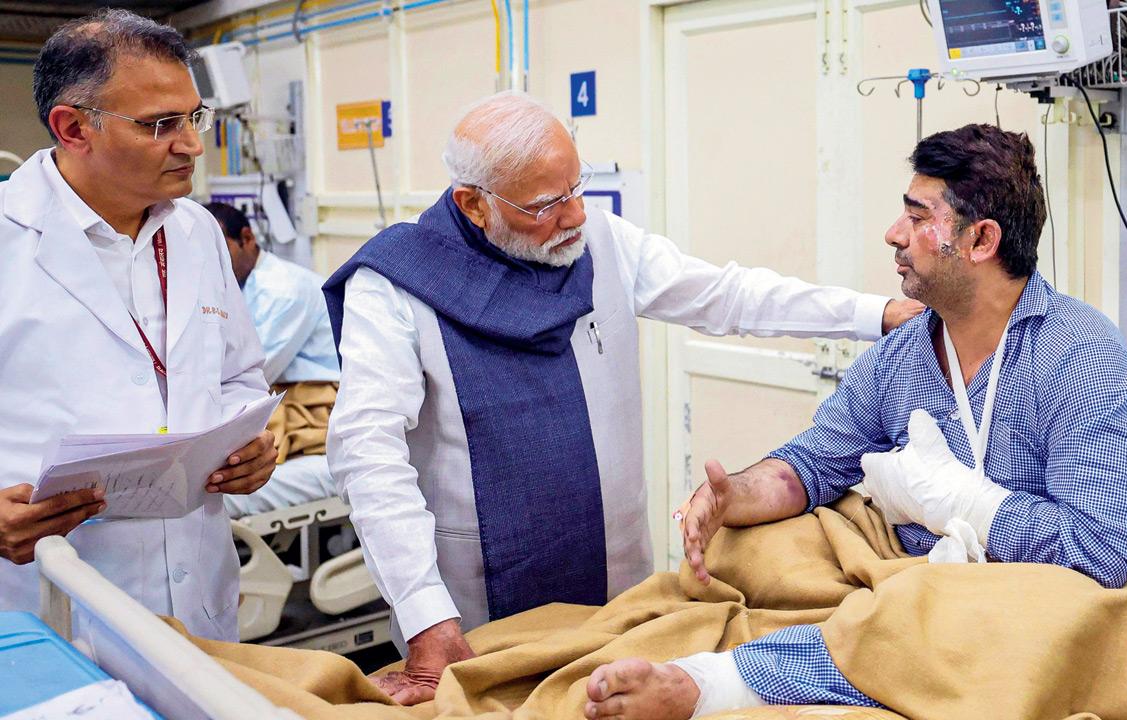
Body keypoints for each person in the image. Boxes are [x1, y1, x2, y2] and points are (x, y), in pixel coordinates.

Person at [323, 91, 925, 705]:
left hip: (612, 570)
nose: (575, 214)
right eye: (546, 204)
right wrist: (426, 615)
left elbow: (727, 295)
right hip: (468, 598)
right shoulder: (395, 284)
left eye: (576, 187)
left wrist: (875, 313)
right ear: (473, 205)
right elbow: (367, 454)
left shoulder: (599, 243)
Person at [583, 124, 1127, 720]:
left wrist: (967, 503)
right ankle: (864, 639)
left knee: (957, 612)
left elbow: (1106, 551)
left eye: (916, 218)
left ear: (981, 239)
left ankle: (715, 683)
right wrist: (732, 496)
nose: (894, 234)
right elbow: (814, 463)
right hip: (915, 580)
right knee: (762, 547)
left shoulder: (1080, 353)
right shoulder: (903, 353)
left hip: (1037, 598)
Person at [0, 9, 274, 642]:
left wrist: (248, 448)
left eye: (193, 117)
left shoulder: (197, 232)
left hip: (198, 590)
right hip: (47, 598)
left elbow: (238, 374)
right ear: (73, 128)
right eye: (160, 125)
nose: (192, 144)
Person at [206, 202, 340, 518]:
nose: (211, 264)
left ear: (247, 238)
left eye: (219, 251)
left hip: (311, 403)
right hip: (275, 398)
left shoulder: (284, 291)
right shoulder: (233, 285)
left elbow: (252, 374)